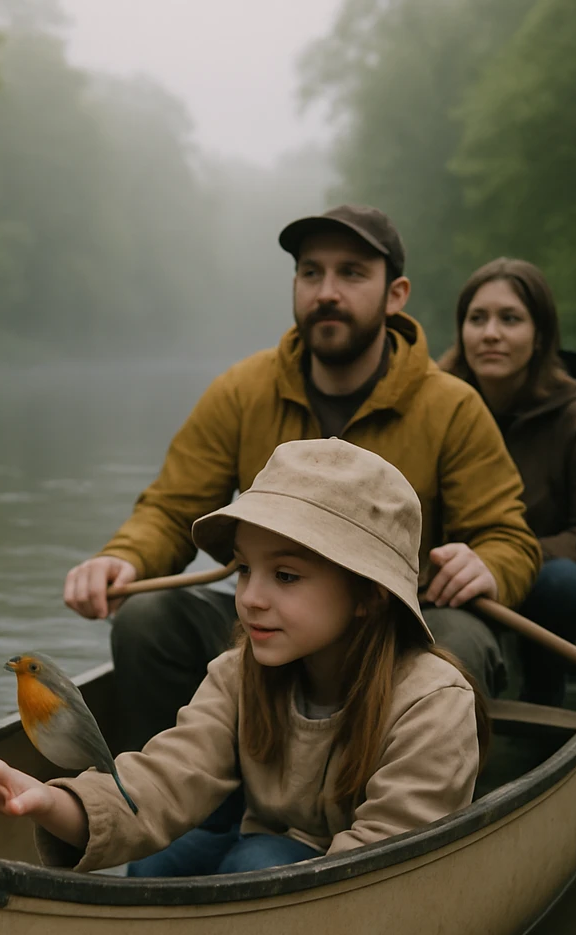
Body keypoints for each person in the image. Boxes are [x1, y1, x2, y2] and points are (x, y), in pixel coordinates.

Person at [63, 205, 541, 753]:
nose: (327, 292)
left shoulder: (453, 406)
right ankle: (182, 802)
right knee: (147, 620)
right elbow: (173, 511)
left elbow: (511, 540)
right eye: (311, 272)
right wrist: (124, 557)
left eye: (352, 273)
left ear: (396, 294)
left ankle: (414, 816)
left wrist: (489, 564)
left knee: (458, 642)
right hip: (282, 617)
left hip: (399, 631)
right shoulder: (241, 392)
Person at [0, 439, 490, 876]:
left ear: (368, 595)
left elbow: (377, 870)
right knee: (154, 867)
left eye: (286, 575)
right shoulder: (241, 673)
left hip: (350, 886)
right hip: (262, 839)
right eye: (244, 569)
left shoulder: (433, 706)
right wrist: (48, 800)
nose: (251, 597)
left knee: (256, 864)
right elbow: (162, 782)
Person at [439, 258, 576, 706]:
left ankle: (545, 692)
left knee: (565, 582)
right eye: (477, 318)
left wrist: (499, 563)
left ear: (540, 335)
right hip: (442, 577)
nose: (490, 334)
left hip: (539, 588)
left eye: (510, 319)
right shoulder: (434, 406)